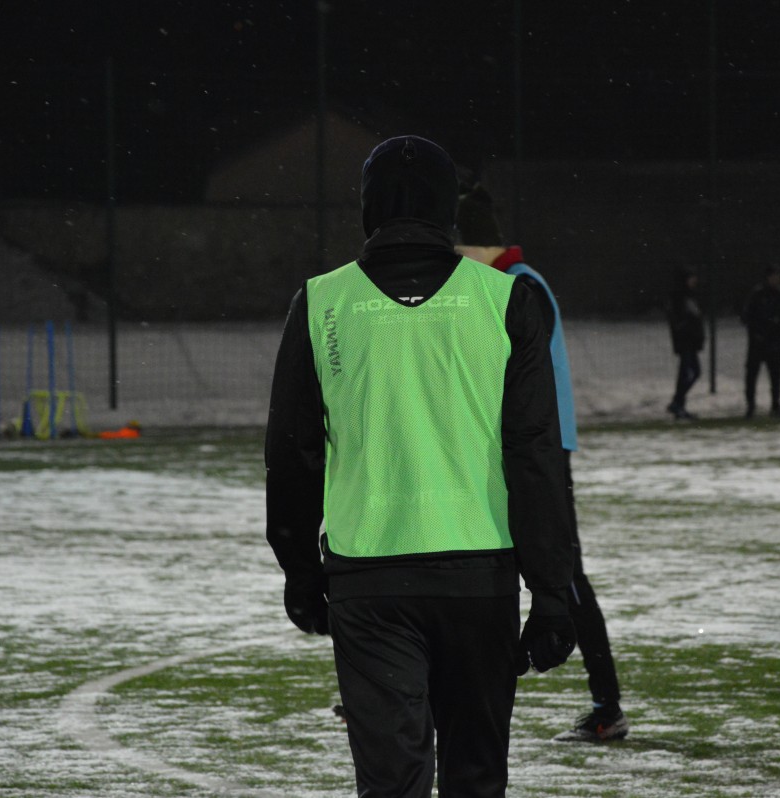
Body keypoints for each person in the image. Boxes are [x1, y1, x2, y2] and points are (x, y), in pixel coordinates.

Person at [265, 136, 577, 797]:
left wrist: (299, 570)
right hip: (479, 578)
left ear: (368, 207)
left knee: (391, 784)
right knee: (475, 778)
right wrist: (552, 592)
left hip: (370, 577)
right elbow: (534, 456)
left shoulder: (321, 302)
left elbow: (292, 455)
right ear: (447, 210)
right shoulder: (505, 301)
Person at [455, 183, 629, 743]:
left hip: (540, 453)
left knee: (565, 574)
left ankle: (607, 707)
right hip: (512, 449)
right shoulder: (504, 284)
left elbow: (506, 369)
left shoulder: (520, 286)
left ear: (473, 247)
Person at [741, 264, 780, 418]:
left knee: (775, 374)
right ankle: (750, 405)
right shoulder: (757, 295)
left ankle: (775, 404)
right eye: (774, 276)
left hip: (774, 341)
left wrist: (775, 322)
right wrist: (757, 331)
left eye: (778, 276)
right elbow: (747, 316)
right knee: (752, 374)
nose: (776, 279)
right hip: (758, 341)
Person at [666, 269, 705, 420]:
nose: (694, 281)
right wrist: (684, 330)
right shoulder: (679, 297)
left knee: (690, 373)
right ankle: (677, 403)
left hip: (691, 341)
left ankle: (678, 404)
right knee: (690, 372)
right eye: (691, 278)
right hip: (685, 341)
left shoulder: (691, 296)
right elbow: (677, 320)